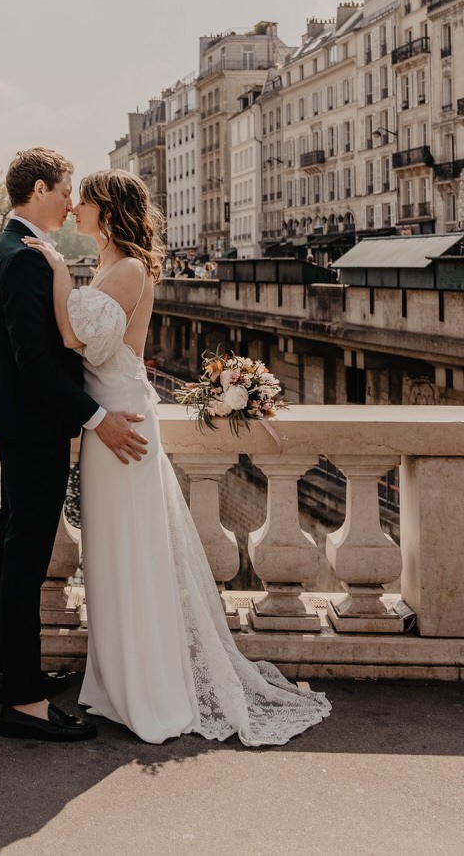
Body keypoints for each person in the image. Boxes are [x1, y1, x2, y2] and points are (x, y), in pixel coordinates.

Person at [24, 169, 331, 746]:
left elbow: (76, 341)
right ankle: (119, 681)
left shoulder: (130, 269)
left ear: (108, 211)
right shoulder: (111, 266)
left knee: (132, 550)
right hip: (108, 419)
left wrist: (58, 272)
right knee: (113, 552)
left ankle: (148, 688)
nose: (74, 211)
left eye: (83, 202)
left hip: (121, 422)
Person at [0, 147, 149, 745]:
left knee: (10, 553)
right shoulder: (25, 258)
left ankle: (13, 677)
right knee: (24, 561)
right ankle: (24, 703)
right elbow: (34, 363)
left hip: (20, 425)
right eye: (65, 191)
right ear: (41, 188)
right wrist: (97, 417)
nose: (71, 203)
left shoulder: (9, 249)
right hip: (36, 426)